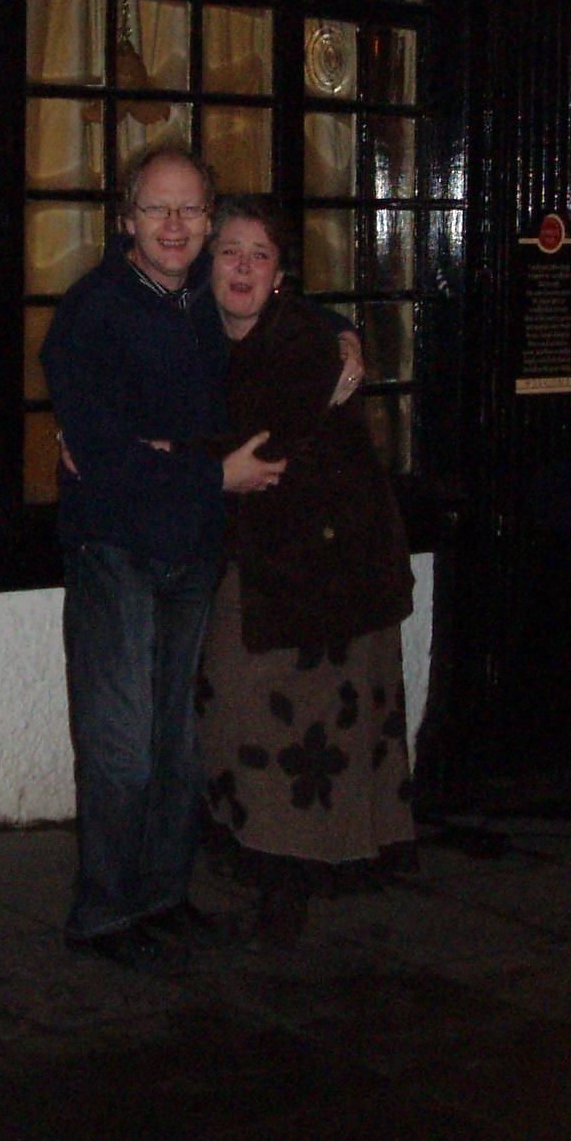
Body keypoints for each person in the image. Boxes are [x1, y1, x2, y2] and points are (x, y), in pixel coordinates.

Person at [41, 144, 284, 970]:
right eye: (157, 209)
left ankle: (161, 897)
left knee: (180, 741)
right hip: (116, 550)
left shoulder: (207, 305)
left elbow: (291, 308)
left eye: (190, 210)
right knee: (122, 741)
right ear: (126, 220)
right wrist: (210, 471)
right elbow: (104, 458)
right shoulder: (93, 311)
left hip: (190, 551)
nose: (175, 226)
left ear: (209, 221)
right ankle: (104, 914)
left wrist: (350, 337)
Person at [195, 196, 417, 948]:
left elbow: (259, 427)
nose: (244, 268)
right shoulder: (203, 332)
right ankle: (266, 882)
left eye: (260, 254)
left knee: (302, 731)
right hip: (268, 565)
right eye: (230, 251)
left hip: (328, 570)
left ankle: (285, 891)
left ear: (282, 273)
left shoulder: (302, 342)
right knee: (241, 721)